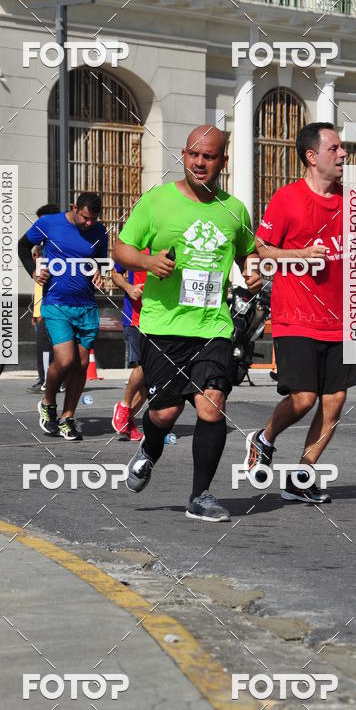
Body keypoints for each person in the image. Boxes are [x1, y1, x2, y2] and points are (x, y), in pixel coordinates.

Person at [113, 125, 261, 522]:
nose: (200, 163)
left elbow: (248, 251)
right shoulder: (157, 201)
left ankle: (200, 496)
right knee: (164, 413)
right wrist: (146, 262)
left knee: (212, 404)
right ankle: (149, 449)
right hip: (165, 326)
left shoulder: (234, 209)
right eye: (194, 155)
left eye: (209, 156)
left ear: (222, 162)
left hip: (214, 324)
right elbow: (121, 248)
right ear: (183, 155)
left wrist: (253, 271)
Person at [247, 122, 356, 505]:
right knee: (304, 398)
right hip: (296, 316)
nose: (343, 154)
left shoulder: (354, 200)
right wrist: (299, 255)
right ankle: (264, 437)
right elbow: (260, 250)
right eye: (335, 148)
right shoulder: (287, 199)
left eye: (343, 149)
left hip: (343, 319)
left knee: (335, 402)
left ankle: (301, 476)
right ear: (312, 157)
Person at [18, 192, 107, 441]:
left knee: (80, 364)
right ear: (75, 207)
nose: (89, 223)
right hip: (56, 303)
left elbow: (101, 260)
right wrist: (35, 271)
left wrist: (99, 272)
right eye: (85, 218)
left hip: (86, 306)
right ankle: (48, 402)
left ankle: (68, 417)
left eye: (94, 219)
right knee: (66, 360)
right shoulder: (49, 223)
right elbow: (22, 246)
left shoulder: (100, 232)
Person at [111, 255, 147, 441]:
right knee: (145, 366)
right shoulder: (136, 246)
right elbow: (116, 274)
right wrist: (129, 287)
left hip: (165, 321)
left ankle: (128, 420)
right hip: (136, 318)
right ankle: (125, 405)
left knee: (151, 380)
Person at [27, 203, 59, 393]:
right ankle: (45, 378)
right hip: (42, 310)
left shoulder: (53, 251)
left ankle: (50, 380)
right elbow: (39, 289)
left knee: (51, 347)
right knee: (43, 347)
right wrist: (35, 312)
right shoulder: (44, 251)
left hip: (53, 308)